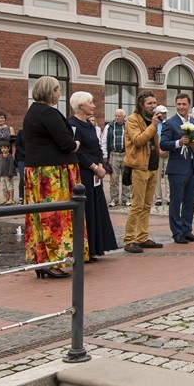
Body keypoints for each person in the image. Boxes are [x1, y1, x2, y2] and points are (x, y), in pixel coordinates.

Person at [23, 76, 87, 277]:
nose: (60, 93)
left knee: (39, 216)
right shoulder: (48, 113)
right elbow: (66, 143)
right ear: (50, 92)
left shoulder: (32, 112)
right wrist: (76, 145)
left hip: (38, 171)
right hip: (52, 174)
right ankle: (53, 261)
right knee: (55, 217)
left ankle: (42, 260)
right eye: (58, 90)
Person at [68, 92, 118, 261]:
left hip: (95, 174)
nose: (94, 105)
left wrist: (101, 165)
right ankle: (83, 250)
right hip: (84, 173)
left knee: (96, 209)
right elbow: (77, 152)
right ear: (81, 105)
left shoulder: (89, 125)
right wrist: (95, 167)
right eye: (91, 102)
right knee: (86, 210)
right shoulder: (73, 125)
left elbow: (96, 147)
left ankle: (95, 247)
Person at [122, 91, 165, 254]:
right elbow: (138, 141)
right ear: (141, 105)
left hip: (153, 166)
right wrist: (153, 126)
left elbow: (155, 142)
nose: (153, 106)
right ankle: (129, 239)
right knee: (137, 205)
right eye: (149, 103)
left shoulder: (152, 120)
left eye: (154, 103)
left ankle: (142, 236)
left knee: (147, 205)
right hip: (139, 167)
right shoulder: (133, 120)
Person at [160, 94, 194, 244]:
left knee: (190, 201)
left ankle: (187, 230)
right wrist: (178, 142)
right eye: (179, 104)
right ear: (175, 105)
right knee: (176, 201)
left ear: (189, 105)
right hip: (177, 168)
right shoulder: (170, 123)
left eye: (184, 104)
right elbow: (163, 144)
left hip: (193, 167)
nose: (181, 107)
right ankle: (177, 232)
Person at [101, 109, 130, 207]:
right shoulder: (109, 126)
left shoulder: (128, 126)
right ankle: (114, 199)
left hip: (126, 154)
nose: (117, 118)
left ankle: (126, 199)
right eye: (116, 116)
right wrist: (105, 155)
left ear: (124, 117)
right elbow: (104, 140)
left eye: (119, 116)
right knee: (114, 178)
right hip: (113, 154)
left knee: (126, 177)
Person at [0, 111, 16, 205]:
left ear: (5, 119)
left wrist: (13, 154)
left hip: (6, 156)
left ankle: (7, 197)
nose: (0, 119)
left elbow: (13, 143)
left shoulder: (10, 128)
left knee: (6, 176)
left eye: (2, 118)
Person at [15, 129, 25, 204]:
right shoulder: (21, 132)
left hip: (33, 158)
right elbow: (17, 145)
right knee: (22, 178)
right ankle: (21, 197)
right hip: (22, 158)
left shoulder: (34, 131)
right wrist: (24, 153)